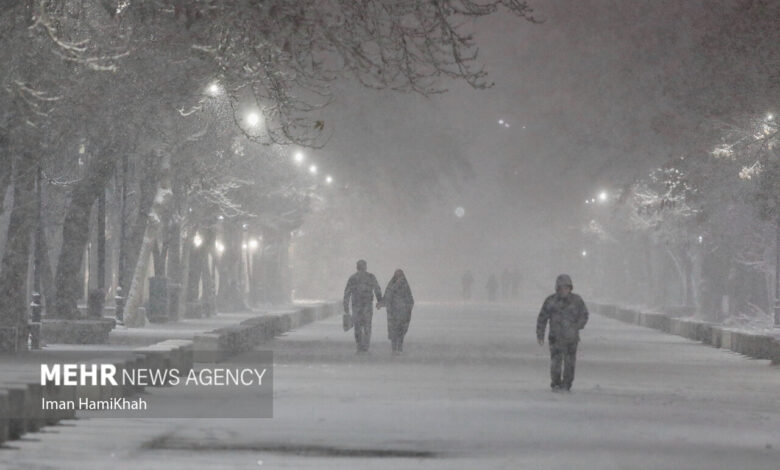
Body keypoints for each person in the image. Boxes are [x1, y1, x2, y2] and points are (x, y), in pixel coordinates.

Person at [536, 274, 589, 392]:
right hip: (555, 337)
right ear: (557, 288)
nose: (564, 290)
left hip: (571, 338)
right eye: (561, 287)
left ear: (570, 288)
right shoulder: (551, 301)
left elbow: (584, 315)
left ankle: (567, 383)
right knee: (556, 363)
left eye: (566, 287)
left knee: (570, 363)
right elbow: (542, 318)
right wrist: (540, 334)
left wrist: (578, 326)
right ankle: (556, 382)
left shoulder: (577, 301)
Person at [343, 260, 383, 353]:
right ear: (365, 267)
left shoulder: (353, 278)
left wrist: (346, 304)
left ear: (357, 267)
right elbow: (377, 289)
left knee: (357, 326)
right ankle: (366, 345)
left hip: (356, 305)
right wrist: (380, 301)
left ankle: (359, 345)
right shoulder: (370, 277)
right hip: (367, 305)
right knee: (367, 325)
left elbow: (347, 292)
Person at [379, 269, 414, 354]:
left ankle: (398, 348)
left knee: (399, 331)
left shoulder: (401, 285)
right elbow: (388, 295)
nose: (399, 277)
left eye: (400, 275)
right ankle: (395, 349)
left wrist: (407, 308)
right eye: (397, 275)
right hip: (395, 313)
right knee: (395, 331)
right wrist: (382, 303)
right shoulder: (394, 285)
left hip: (400, 313)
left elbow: (410, 300)